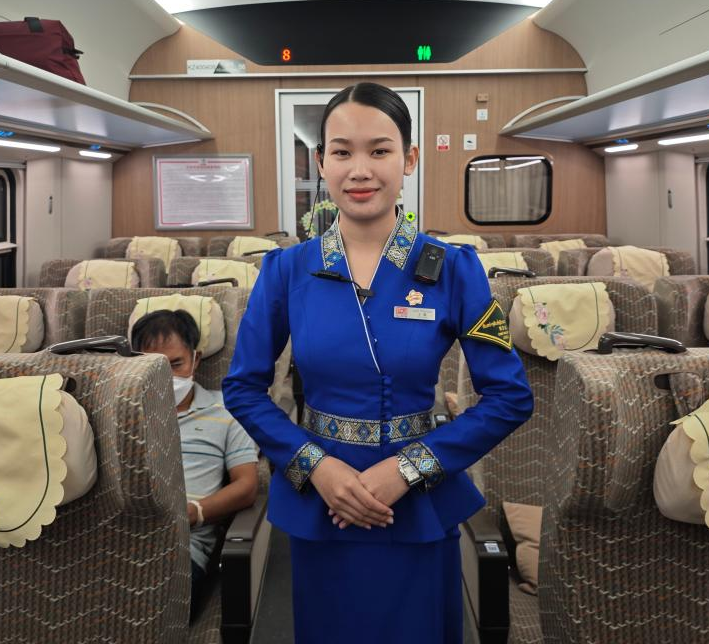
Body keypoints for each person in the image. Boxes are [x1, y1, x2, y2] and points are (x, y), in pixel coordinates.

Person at [222, 82, 533, 644]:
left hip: (417, 502)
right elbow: (243, 388)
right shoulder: (286, 271)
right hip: (323, 505)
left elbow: (510, 397)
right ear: (322, 163)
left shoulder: (454, 269)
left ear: (408, 159)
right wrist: (316, 466)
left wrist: (408, 469)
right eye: (342, 152)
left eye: (379, 150)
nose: (360, 170)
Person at [131, 309, 259, 619]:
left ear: (196, 359)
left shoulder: (226, 410)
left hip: (181, 548)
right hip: (124, 536)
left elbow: (247, 486)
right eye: (153, 365)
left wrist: (195, 513)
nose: (166, 376)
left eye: (176, 364)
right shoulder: (124, 413)